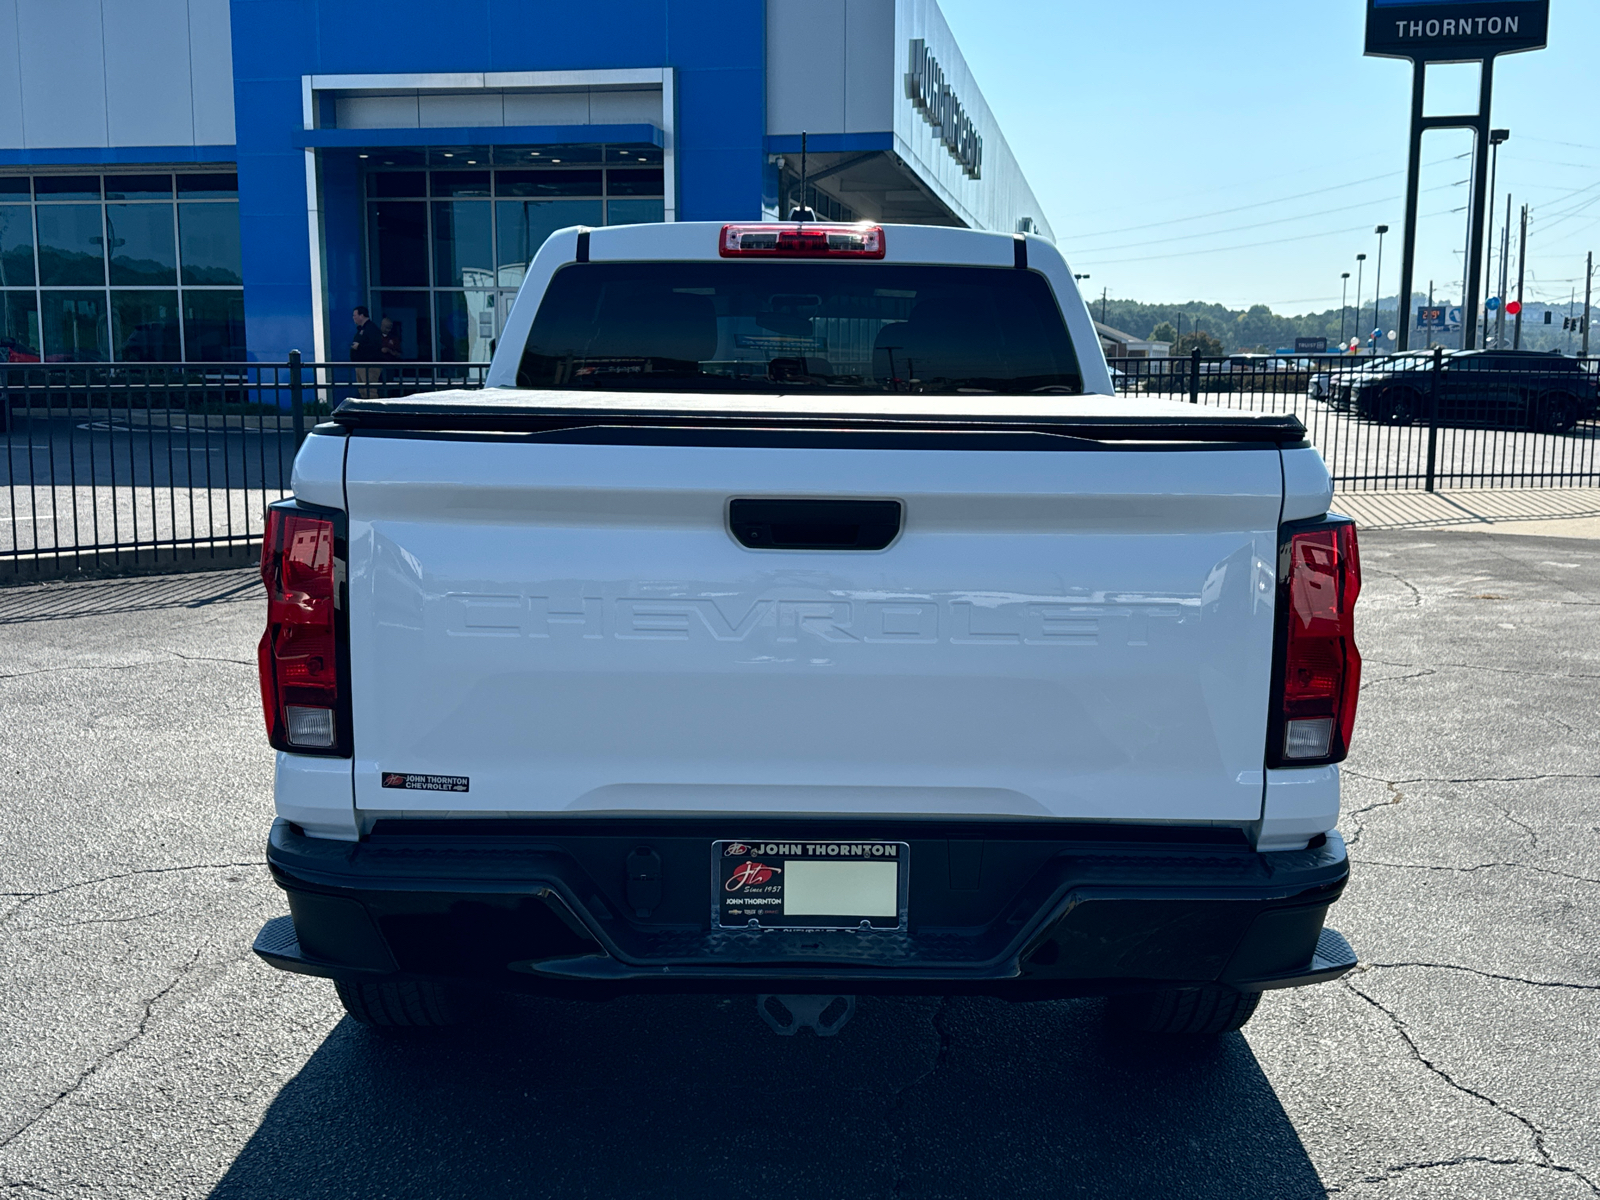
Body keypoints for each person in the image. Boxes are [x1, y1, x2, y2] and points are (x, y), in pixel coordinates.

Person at [350, 306, 382, 397]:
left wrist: (359, 346)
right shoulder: (361, 329)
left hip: (370, 366)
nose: (353, 318)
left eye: (355, 315)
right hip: (361, 365)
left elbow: (375, 345)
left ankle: (374, 410)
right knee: (363, 391)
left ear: (362, 315)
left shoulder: (371, 328)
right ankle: (366, 410)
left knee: (370, 391)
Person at [379, 317, 403, 396]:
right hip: (377, 365)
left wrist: (389, 351)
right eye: (386, 327)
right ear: (382, 325)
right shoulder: (376, 337)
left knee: (388, 386)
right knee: (376, 385)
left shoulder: (394, 339)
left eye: (389, 328)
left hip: (389, 366)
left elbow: (399, 354)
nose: (388, 330)